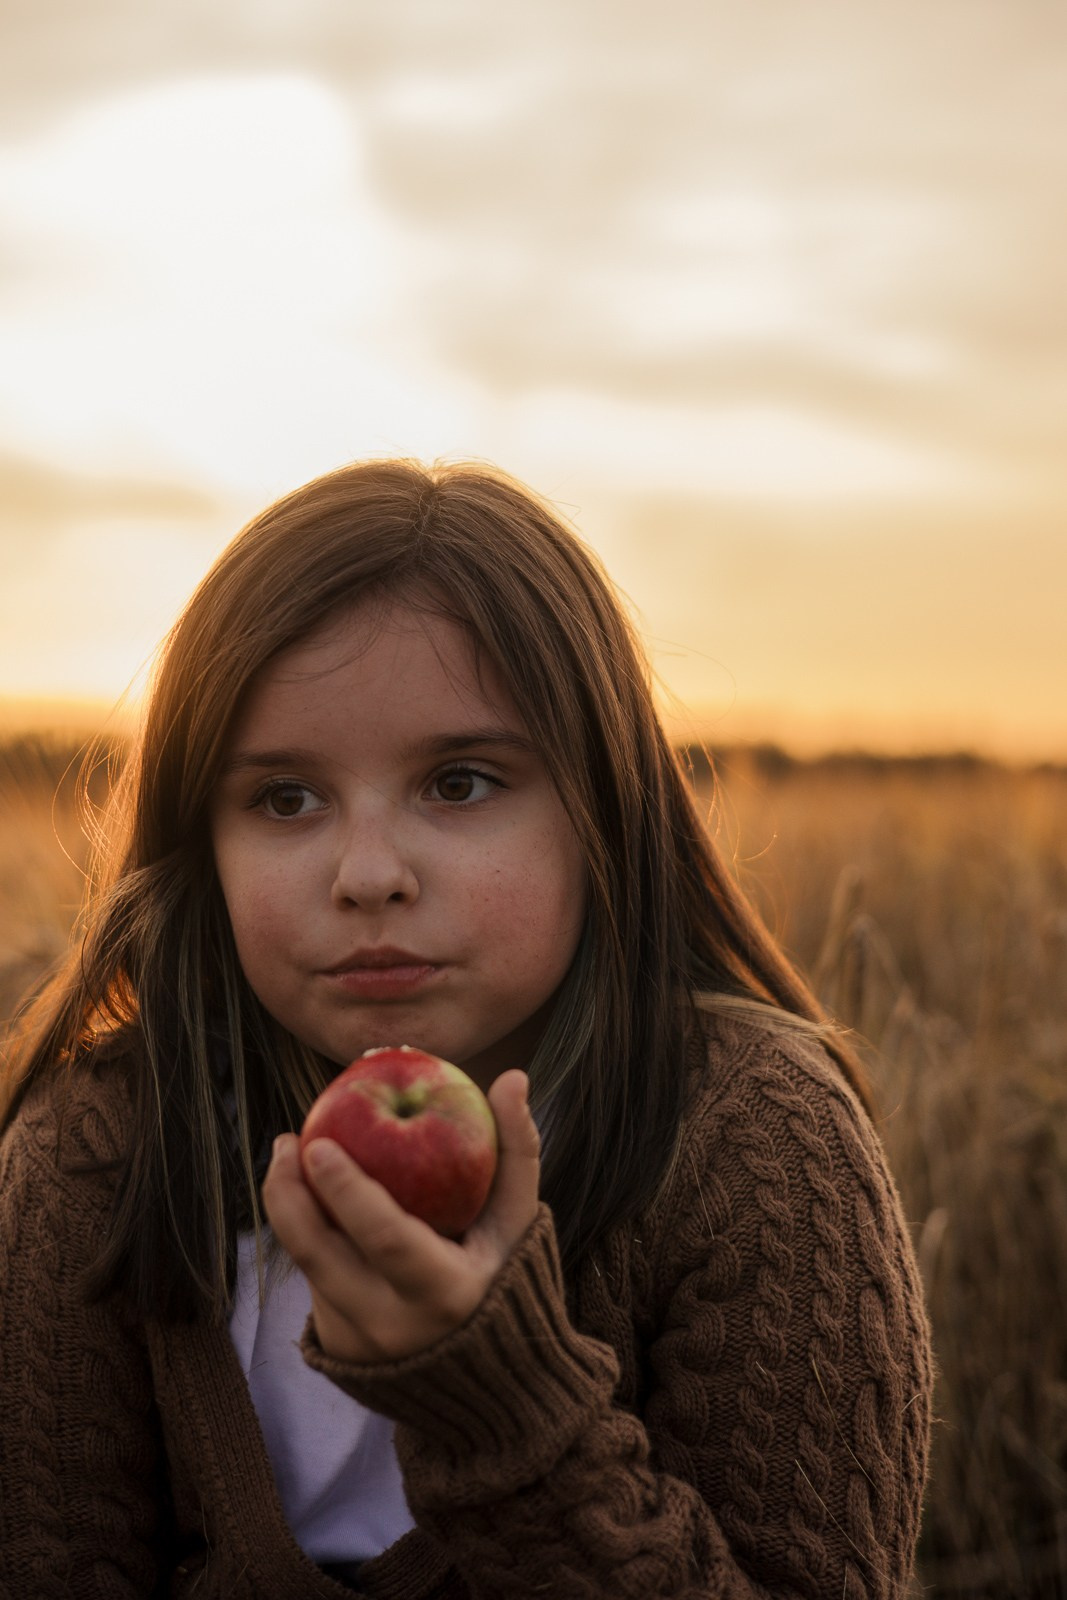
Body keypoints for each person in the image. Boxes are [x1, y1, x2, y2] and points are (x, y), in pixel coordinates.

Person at [0, 459, 933, 1598]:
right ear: (204, 843)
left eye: (458, 780)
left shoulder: (754, 1142)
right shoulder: (96, 1155)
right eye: (285, 798)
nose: (369, 873)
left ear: (600, 806)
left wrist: (502, 1401)